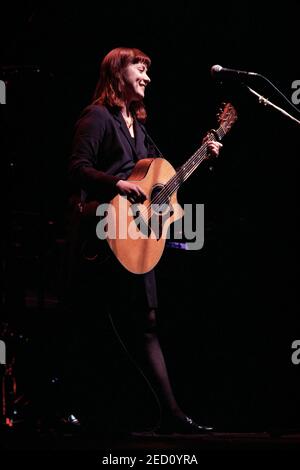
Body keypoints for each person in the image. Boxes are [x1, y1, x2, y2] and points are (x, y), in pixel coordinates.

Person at [64, 47, 222, 434]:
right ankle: (82, 411)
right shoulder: (97, 116)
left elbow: (161, 184)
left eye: (148, 71)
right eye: (141, 68)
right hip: (106, 231)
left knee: (146, 322)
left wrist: (203, 156)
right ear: (118, 72)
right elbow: (77, 168)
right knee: (99, 324)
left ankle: (170, 414)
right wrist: (116, 183)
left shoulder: (139, 126)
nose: (148, 78)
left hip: (137, 236)